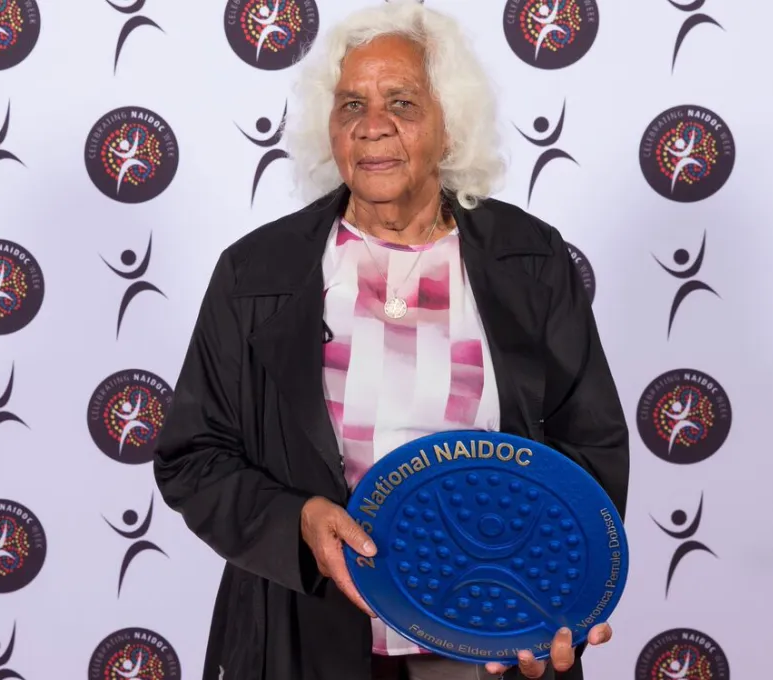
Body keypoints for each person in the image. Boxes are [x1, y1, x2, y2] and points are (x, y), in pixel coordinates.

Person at [152, 2, 629, 679]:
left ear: (449, 124)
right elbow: (193, 456)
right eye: (351, 105)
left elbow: (590, 448)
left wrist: (555, 599)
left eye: (401, 103)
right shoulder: (256, 273)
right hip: (305, 639)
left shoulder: (530, 260)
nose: (372, 126)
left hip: (484, 643)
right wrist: (298, 520)